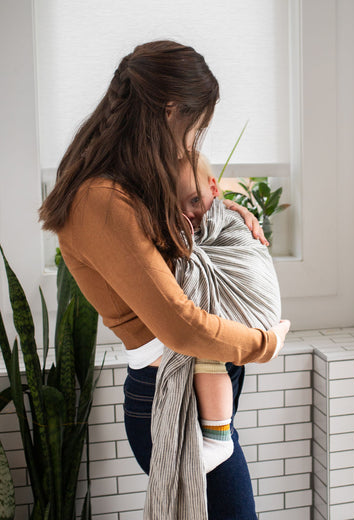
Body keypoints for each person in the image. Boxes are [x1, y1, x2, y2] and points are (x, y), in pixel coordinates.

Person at [38, 40, 291, 519]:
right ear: (171, 110)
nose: (193, 141)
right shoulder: (101, 198)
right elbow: (179, 323)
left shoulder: (128, 183)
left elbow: (175, 234)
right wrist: (265, 345)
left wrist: (226, 214)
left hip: (196, 390)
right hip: (171, 395)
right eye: (196, 126)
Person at [176, 154, 282, 474]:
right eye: (177, 208)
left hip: (248, 309)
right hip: (250, 322)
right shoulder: (208, 213)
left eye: (196, 200)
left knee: (207, 349)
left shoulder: (223, 217)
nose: (191, 213)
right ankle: (220, 436)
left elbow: (193, 261)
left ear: (213, 188)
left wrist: (183, 240)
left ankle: (219, 439)